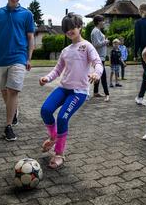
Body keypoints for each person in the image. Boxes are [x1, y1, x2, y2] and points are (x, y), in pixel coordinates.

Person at [39, 13, 103, 169]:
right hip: (63, 88)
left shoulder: (87, 46)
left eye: (73, 27)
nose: (70, 31)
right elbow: (57, 69)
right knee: (45, 110)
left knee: (62, 118)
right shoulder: (66, 50)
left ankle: (59, 153)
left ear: (80, 26)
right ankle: (53, 137)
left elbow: (98, 62)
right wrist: (47, 78)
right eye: (66, 29)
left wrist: (96, 73)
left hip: (78, 92)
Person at [0, 0, 35, 141]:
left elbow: (30, 37)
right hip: (1, 59)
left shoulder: (27, 14)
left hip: (19, 57)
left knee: (13, 90)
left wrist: (29, 58)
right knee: (5, 93)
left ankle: (8, 126)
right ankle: (14, 112)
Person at [90, 15, 110, 102]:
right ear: (98, 22)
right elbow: (96, 44)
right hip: (99, 57)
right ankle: (107, 94)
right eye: (103, 21)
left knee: (98, 75)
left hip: (100, 56)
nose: (104, 22)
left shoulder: (97, 31)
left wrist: (105, 42)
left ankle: (95, 92)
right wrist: (106, 41)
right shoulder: (96, 31)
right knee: (103, 76)